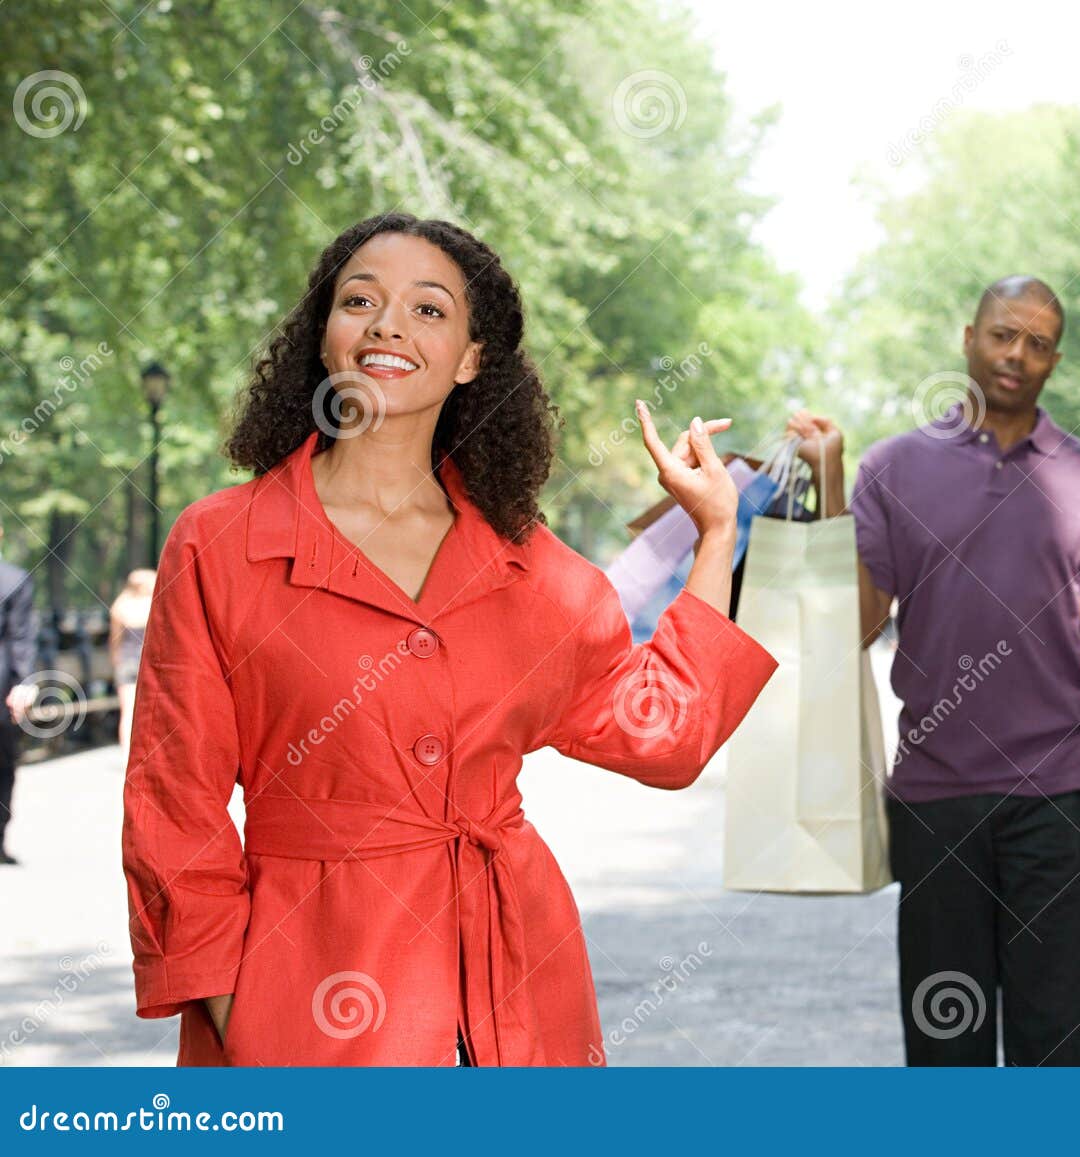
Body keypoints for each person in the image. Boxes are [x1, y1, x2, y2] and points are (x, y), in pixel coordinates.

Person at [120, 213, 777, 1067]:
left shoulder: (523, 564)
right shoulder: (222, 543)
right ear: (325, 338)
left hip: (513, 1000)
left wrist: (715, 532)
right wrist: (241, 1011)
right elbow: (175, 809)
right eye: (361, 300)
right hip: (304, 999)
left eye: (429, 310)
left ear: (472, 360)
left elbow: (666, 735)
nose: (388, 323)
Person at [789, 274, 1080, 1067]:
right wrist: (830, 479)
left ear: (1056, 359)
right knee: (944, 1043)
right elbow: (857, 618)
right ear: (969, 338)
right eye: (1002, 334)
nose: (1017, 354)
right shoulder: (893, 468)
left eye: (1039, 342)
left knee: (1056, 1039)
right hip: (935, 796)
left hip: (1057, 790)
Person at [0, 518, 40, 866]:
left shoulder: (13, 580)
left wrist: (25, 682)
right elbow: (21, 639)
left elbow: (20, 637)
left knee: (3, 764)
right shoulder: (14, 579)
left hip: (2, 692)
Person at [109, 568, 155, 761]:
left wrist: (115, 661)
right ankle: (146, 753)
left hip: (126, 662)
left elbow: (115, 640)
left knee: (127, 710)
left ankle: (127, 754)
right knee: (149, 709)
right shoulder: (151, 604)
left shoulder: (120, 606)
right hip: (147, 662)